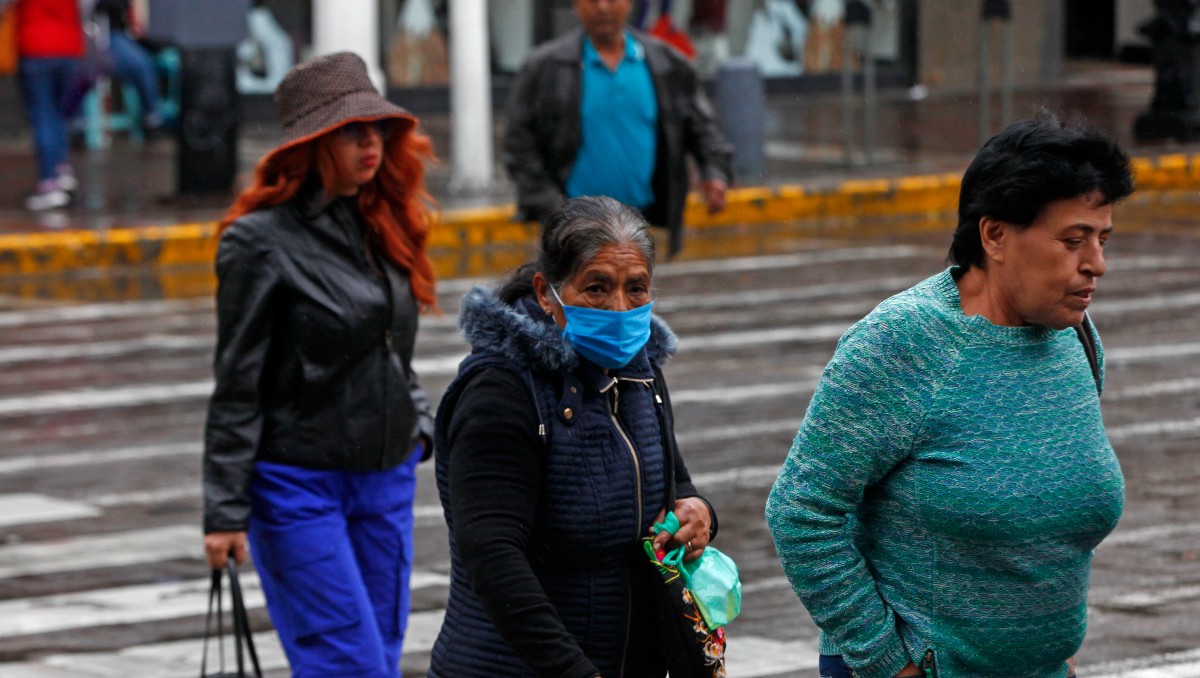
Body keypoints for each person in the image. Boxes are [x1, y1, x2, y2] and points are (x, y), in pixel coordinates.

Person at [765, 112, 1134, 678]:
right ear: (995, 235)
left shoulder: (1076, 339)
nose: (1097, 265)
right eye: (1073, 240)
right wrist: (890, 662)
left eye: (1103, 239)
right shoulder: (905, 342)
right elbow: (802, 510)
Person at [202, 52, 437, 678]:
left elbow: (393, 348)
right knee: (348, 665)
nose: (372, 143)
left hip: (386, 478)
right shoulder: (258, 241)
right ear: (314, 142)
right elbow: (238, 381)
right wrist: (225, 510)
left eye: (377, 128)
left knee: (380, 658)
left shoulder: (380, 223)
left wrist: (419, 426)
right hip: (298, 485)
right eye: (351, 131)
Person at [429, 195, 719, 677]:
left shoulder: (640, 372)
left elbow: (672, 482)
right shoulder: (499, 392)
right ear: (547, 293)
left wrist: (698, 512)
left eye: (636, 289)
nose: (619, 307)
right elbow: (493, 558)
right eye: (597, 288)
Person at [503, 0, 734, 258]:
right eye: (592, 0)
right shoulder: (546, 66)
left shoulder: (665, 63)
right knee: (578, 296)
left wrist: (714, 172)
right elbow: (518, 142)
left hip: (643, 224)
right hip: (571, 230)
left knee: (635, 295)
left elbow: (702, 127)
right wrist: (549, 204)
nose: (602, 8)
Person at [14, 0, 84, 211]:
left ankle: (50, 183)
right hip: (68, 47)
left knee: (43, 116)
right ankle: (63, 172)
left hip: (36, 46)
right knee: (59, 114)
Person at [90, 0, 164, 134]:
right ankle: (152, 117)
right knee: (142, 65)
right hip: (103, 35)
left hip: (123, 35)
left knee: (147, 63)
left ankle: (152, 116)